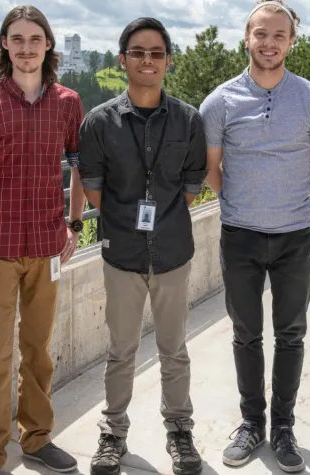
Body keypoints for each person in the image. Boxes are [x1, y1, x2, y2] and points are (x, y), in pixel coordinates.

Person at [199, 0, 310, 471]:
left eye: (279, 35)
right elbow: (211, 170)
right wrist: (243, 203)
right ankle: (251, 423)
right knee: (245, 334)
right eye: (261, 33)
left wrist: (283, 201)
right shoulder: (219, 102)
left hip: (293, 237)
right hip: (238, 235)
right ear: (247, 37)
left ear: (291, 42)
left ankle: (283, 427)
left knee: (291, 334)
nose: (269, 42)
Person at [0, 5, 86, 475]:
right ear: (4, 45)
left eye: (35, 39)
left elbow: (78, 167)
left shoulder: (68, 103)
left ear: (48, 45)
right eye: (17, 39)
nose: (26, 47)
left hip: (47, 247)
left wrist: (73, 225)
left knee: (39, 351)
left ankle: (37, 439)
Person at [77, 17, 208, 475]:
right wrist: (129, 220)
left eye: (156, 53)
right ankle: (113, 433)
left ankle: (180, 432)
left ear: (168, 61)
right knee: (121, 349)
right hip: (122, 253)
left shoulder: (189, 120)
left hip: (173, 250)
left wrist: (159, 218)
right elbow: (93, 187)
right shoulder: (99, 122)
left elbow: (192, 185)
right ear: (123, 60)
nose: (147, 60)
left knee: (174, 349)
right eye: (138, 52)